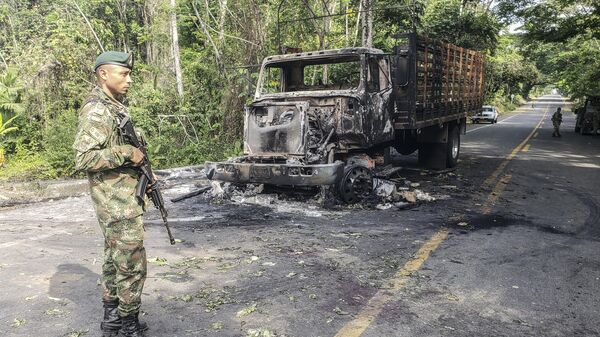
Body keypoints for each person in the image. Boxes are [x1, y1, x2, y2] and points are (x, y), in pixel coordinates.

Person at [73, 51, 149, 337]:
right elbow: (84, 158)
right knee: (131, 262)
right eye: (123, 73)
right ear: (103, 74)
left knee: (114, 258)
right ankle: (129, 325)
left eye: (129, 74)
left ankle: (113, 319)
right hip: (115, 202)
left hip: (121, 199)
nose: (129, 79)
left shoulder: (114, 106)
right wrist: (127, 152)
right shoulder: (98, 110)